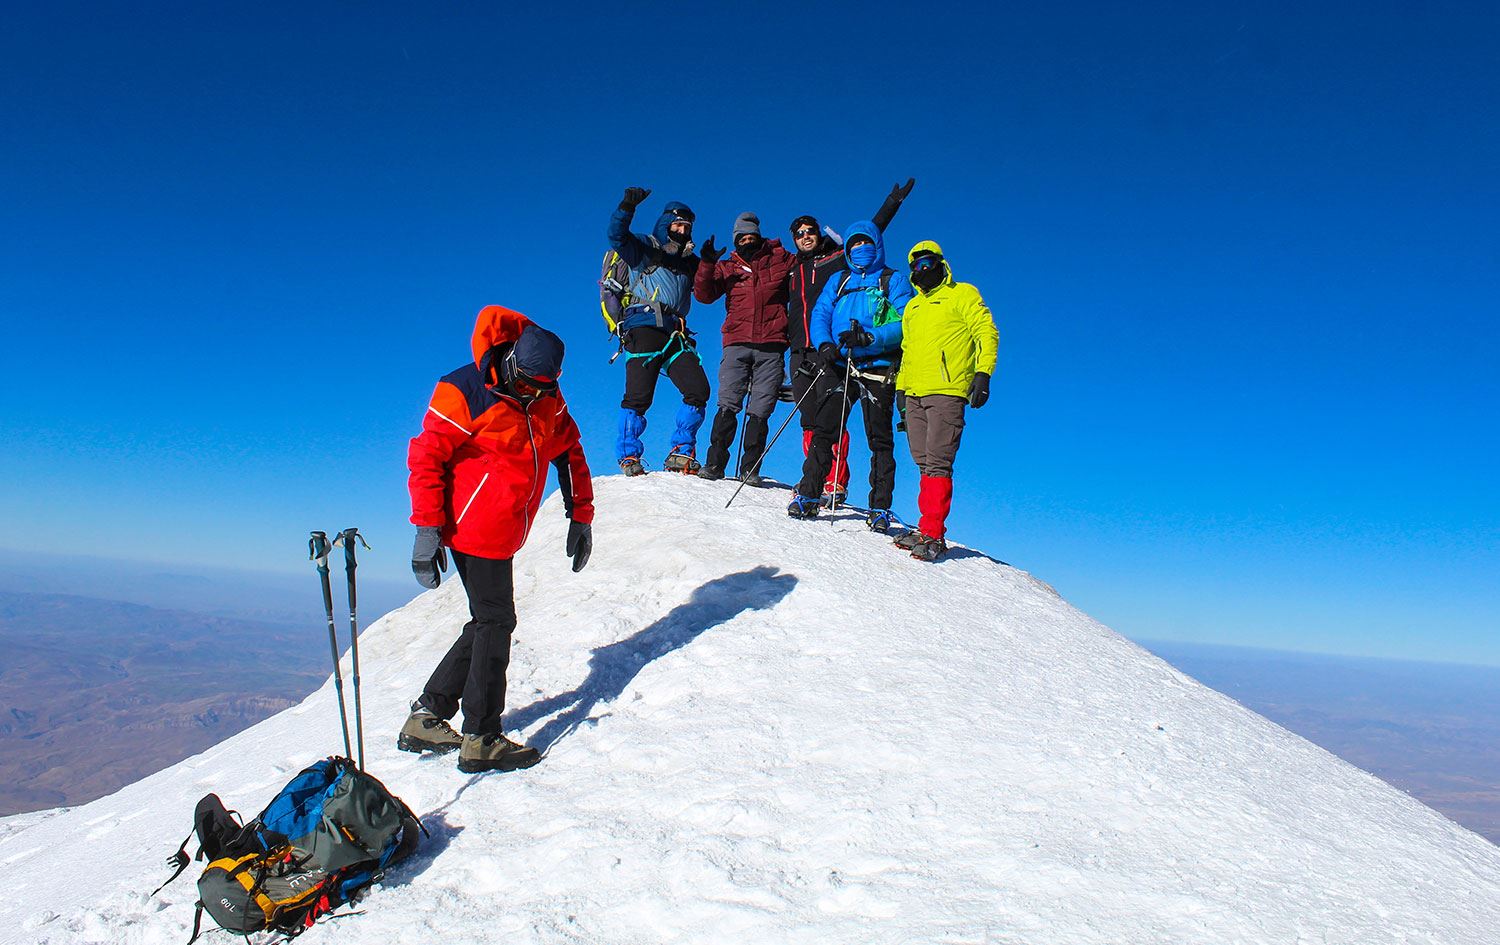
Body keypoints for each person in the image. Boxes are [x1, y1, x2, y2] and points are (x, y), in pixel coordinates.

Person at [399, 305, 595, 773]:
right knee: (495, 621)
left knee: (489, 619)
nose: (532, 395)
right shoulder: (462, 389)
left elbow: (570, 452)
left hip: (507, 527)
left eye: (542, 388)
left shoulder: (546, 394)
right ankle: (481, 735)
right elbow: (426, 458)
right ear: (510, 364)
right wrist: (427, 530)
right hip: (471, 527)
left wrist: (581, 515)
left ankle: (428, 714)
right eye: (526, 384)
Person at [786, 178, 915, 503]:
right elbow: (821, 314)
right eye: (854, 245)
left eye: (865, 244)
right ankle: (811, 491)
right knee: (821, 427)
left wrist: (872, 337)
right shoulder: (832, 277)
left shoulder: (890, 279)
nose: (859, 249)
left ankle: (879, 506)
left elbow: (907, 322)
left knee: (880, 439)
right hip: (836, 360)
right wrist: (824, 343)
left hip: (878, 365)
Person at [892, 241, 999, 561]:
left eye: (927, 263)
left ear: (940, 264)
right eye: (915, 266)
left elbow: (987, 332)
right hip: (914, 392)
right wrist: (901, 388)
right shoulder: (913, 307)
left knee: (938, 461)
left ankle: (934, 534)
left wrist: (983, 373)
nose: (921, 270)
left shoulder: (963, 294)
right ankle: (926, 528)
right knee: (922, 460)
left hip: (947, 390)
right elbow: (907, 351)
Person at [602, 186, 710, 476]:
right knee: (638, 396)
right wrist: (626, 207)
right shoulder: (644, 249)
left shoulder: (690, 262)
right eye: (677, 224)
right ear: (665, 225)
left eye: (687, 226)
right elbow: (616, 236)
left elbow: (711, 284)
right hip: (644, 325)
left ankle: (681, 451)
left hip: (676, 332)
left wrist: (710, 262)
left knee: (698, 389)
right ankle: (628, 455)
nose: (682, 230)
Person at [692, 212, 796, 484]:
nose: (747, 240)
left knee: (761, 409)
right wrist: (706, 263)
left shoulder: (781, 260)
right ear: (736, 240)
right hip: (737, 343)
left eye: (751, 236)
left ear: (759, 236)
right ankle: (714, 464)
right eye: (742, 237)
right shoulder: (727, 267)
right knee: (728, 403)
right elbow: (703, 295)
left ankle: (750, 468)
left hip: (772, 345)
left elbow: (809, 267)